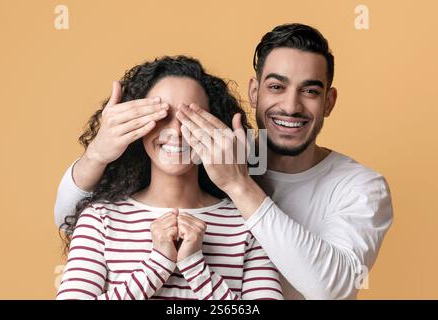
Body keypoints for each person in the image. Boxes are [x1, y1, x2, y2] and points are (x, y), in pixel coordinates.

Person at [55, 24, 393, 300]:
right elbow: (69, 215)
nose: (291, 107)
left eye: (310, 91)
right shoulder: (230, 150)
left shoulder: (359, 187)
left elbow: (326, 289)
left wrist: (235, 189)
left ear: (329, 101)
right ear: (254, 92)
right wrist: (97, 153)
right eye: (276, 86)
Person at [56, 56, 283, 300]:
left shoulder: (248, 224)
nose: (175, 132)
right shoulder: (100, 219)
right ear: (136, 124)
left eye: (191, 118)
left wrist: (196, 267)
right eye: (162, 116)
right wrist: (157, 267)